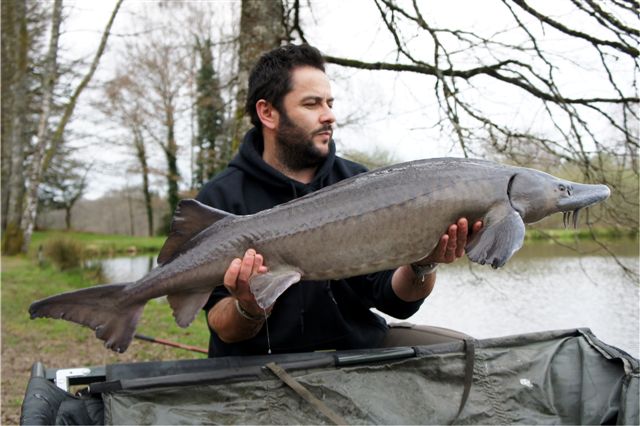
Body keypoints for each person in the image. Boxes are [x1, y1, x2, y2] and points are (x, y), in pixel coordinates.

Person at [196, 44, 482, 357]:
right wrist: (249, 307)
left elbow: (395, 301)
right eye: (312, 104)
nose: (329, 116)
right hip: (261, 370)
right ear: (268, 113)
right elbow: (222, 325)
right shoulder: (221, 196)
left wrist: (422, 265)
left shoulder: (362, 183)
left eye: (330, 103)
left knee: (464, 353)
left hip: (355, 356)